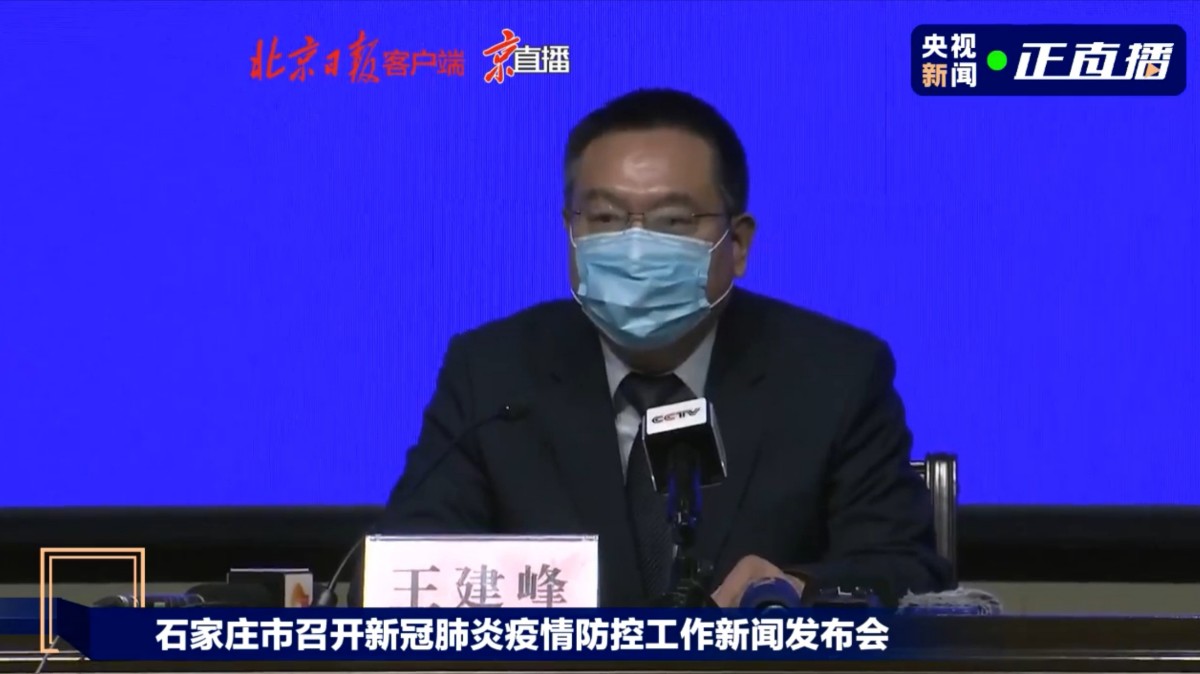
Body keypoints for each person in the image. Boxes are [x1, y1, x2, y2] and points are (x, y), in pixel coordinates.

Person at [374, 88, 953, 607]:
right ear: (570, 234)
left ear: (738, 244)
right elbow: (409, 564)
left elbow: (907, 571)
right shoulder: (492, 373)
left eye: (673, 221)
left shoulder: (835, 375)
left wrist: (795, 590)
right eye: (604, 217)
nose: (634, 251)